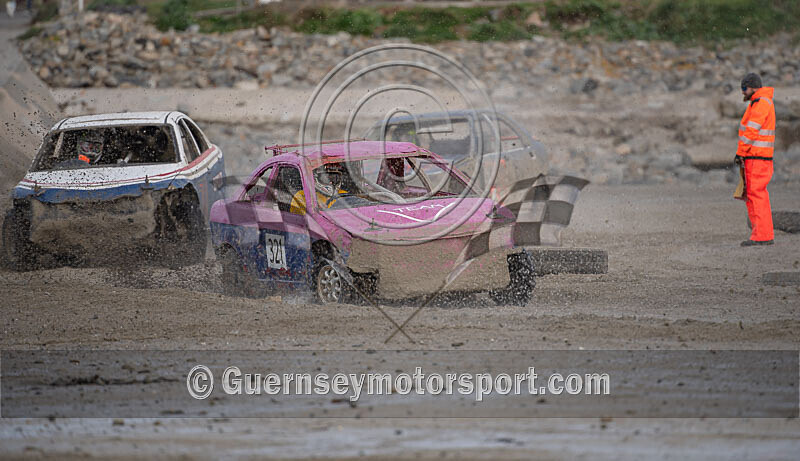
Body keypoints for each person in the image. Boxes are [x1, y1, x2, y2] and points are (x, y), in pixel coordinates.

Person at [735, 73, 776, 247]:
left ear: (752, 87)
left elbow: (751, 131)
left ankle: (762, 236)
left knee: (756, 195)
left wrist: (741, 152)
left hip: (757, 157)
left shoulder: (761, 103)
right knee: (754, 195)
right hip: (756, 157)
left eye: (744, 88)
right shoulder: (759, 102)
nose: (743, 92)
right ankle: (761, 234)